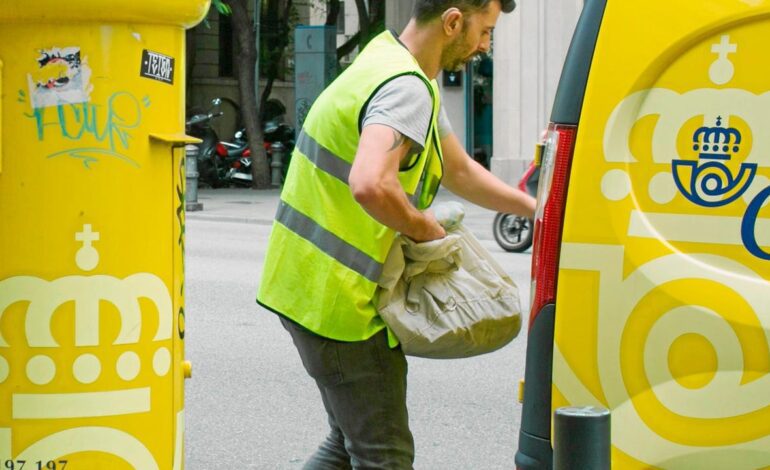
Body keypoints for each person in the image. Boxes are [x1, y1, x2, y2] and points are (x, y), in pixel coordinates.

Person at [257, 0, 535, 468]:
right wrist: (425, 228)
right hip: (340, 308)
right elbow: (371, 182)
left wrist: (535, 210)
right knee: (384, 457)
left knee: (345, 447)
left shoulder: (388, 62)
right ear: (452, 22)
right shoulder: (407, 88)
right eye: (484, 31)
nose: (485, 46)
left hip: (305, 290)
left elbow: (460, 171)